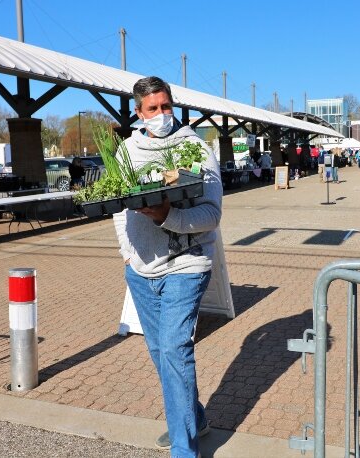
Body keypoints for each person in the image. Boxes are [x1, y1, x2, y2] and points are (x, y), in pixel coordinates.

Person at [113, 76, 222, 458]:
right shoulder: (127, 152)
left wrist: (167, 216)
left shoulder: (194, 148)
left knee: (175, 349)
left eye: (166, 106)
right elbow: (117, 210)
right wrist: (128, 253)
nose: (161, 115)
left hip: (187, 263)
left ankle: (183, 448)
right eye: (152, 109)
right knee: (160, 351)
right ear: (139, 113)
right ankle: (194, 418)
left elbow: (211, 214)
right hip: (141, 269)